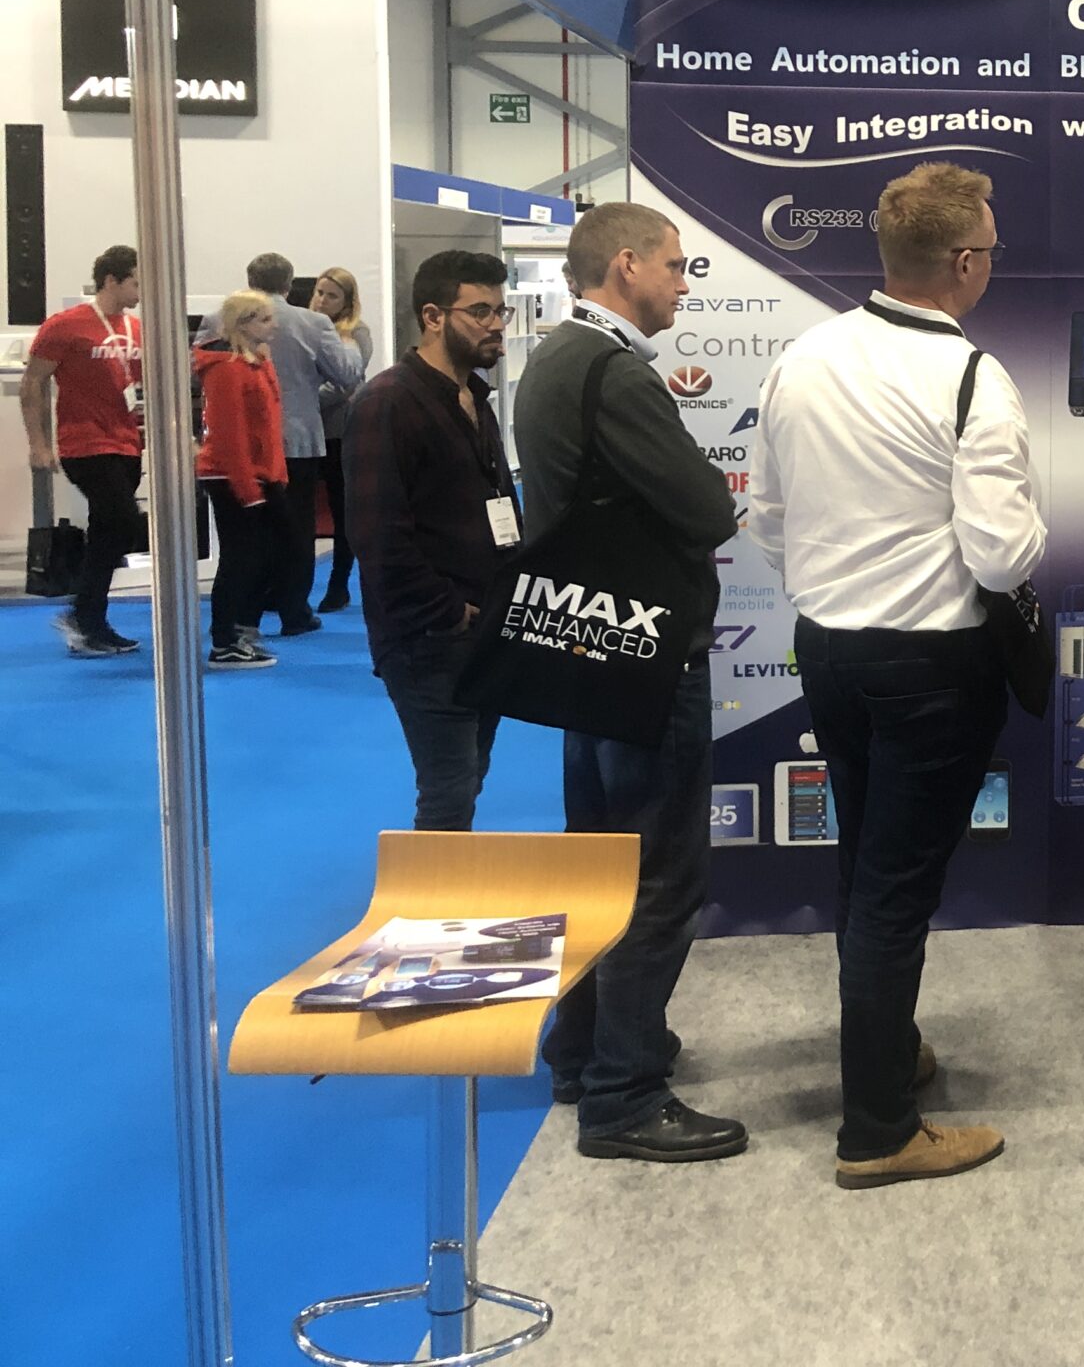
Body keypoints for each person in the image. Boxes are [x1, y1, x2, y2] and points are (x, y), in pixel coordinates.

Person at [746, 160, 1042, 1191]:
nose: (992, 263)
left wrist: (839, 583)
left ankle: (888, 1052)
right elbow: (1000, 558)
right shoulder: (972, 378)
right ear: (963, 263)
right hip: (930, 662)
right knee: (895, 891)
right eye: (991, 250)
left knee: (865, 870)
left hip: (828, 648)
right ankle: (877, 1131)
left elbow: (768, 517)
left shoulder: (803, 356)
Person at [513, 202, 745, 1164]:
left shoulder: (553, 359)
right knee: (659, 876)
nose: (684, 285)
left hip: (590, 645)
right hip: (647, 655)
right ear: (626, 265)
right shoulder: (614, 372)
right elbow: (706, 509)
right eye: (676, 266)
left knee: (600, 865)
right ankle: (624, 1094)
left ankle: (585, 1053)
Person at [344, 251, 514, 832]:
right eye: (480, 311)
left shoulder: (475, 399)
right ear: (433, 317)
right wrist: (449, 611)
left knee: (469, 777)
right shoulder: (387, 403)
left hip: (485, 629)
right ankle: (432, 891)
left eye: (501, 311)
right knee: (447, 789)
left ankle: (447, 885)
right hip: (428, 636)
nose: (495, 325)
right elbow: (377, 536)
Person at [223, 253, 362, 637]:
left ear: (250, 280)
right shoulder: (313, 323)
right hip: (297, 440)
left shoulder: (220, 320)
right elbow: (348, 373)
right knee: (297, 529)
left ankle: (243, 614)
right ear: (289, 285)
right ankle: (293, 611)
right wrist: (348, 342)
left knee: (247, 532)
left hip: (241, 443)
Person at [23, 245, 144, 657]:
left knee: (109, 530)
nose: (140, 291)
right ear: (111, 280)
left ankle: (89, 621)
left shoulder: (136, 329)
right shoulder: (65, 326)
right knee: (123, 522)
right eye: (135, 282)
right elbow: (33, 383)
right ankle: (83, 613)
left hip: (127, 441)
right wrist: (39, 444)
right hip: (85, 443)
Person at [194, 290, 289, 672]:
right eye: (265, 319)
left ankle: (241, 629)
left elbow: (268, 425)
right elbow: (229, 435)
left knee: (265, 554)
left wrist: (275, 476)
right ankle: (225, 639)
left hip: (259, 473)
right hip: (232, 474)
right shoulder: (227, 370)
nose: (273, 325)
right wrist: (248, 489)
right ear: (244, 324)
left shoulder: (254, 364)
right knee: (240, 559)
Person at [311, 265, 377, 614]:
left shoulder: (357, 333)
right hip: (308, 432)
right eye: (320, 292)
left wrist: (305, 399)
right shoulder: (307, 326)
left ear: (347, 302)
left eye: (332, 295)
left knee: (343, 510)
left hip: (341, 432)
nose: (322, 300)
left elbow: (346, 382)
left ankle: (339, 584)